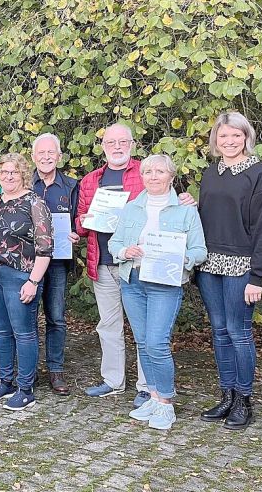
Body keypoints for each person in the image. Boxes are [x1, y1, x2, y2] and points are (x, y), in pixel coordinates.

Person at [76, 123, 195, 408]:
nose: (117, 147)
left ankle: (147, 386)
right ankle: (113, 380)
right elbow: (80, 222)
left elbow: (169, 202)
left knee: (144, 331)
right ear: (103, 146)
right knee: (109, 324)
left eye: (122, 142)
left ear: (131, 144)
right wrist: (88, 220)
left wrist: (185, 200)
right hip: (103, 262)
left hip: (142, 265)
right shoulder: (91, 180)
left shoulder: (146, 172)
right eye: (110, 142)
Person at [108, 154, 207, 430]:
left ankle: (165, 403)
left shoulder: (186, 210)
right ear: (142, 177)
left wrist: (179, 259)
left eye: (160, 171)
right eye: (148, 171)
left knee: (157, 343)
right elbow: (114, 244)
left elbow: (200, 251)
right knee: (142, 342)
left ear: (171, 177)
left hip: (165, 283)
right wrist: (124, 251)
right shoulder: (131, 209)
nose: (153, 176)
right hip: (133, 281)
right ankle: (152, 396)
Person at [196, 112, 262, 430]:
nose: (229, 141)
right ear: (216, 139)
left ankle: (244, 399)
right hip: (209, 265)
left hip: (241, 266)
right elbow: (206, 218)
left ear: (246, 137)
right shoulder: (210, 173)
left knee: (238, 331)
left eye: (236, 135)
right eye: (223, 135)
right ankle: (227, 395)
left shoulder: (260, 174)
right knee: (218, 331)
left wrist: (257, 275)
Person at [0, 153, 53, 411]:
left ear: (23, 175)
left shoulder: (34, 203)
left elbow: (45, 248)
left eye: (14, 172)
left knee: (24, 332)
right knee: (1, 330)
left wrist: (33, 281)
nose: (9, 176)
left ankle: (25, 387)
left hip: (21, 276)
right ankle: (5, 381)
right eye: (5, 172)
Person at [31, 133, 80, 395]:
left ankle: (55, 369)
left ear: (59, 157)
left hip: (59, 262)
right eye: (41, 153)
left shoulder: (72, 186)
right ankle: (28, 369)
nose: (46, 157)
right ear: (33, 157)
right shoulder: (25, 184)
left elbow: (81, 219)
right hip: (28, 261)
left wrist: (77, 232)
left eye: (51, 153)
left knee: (56, 317)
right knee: (27, 318)